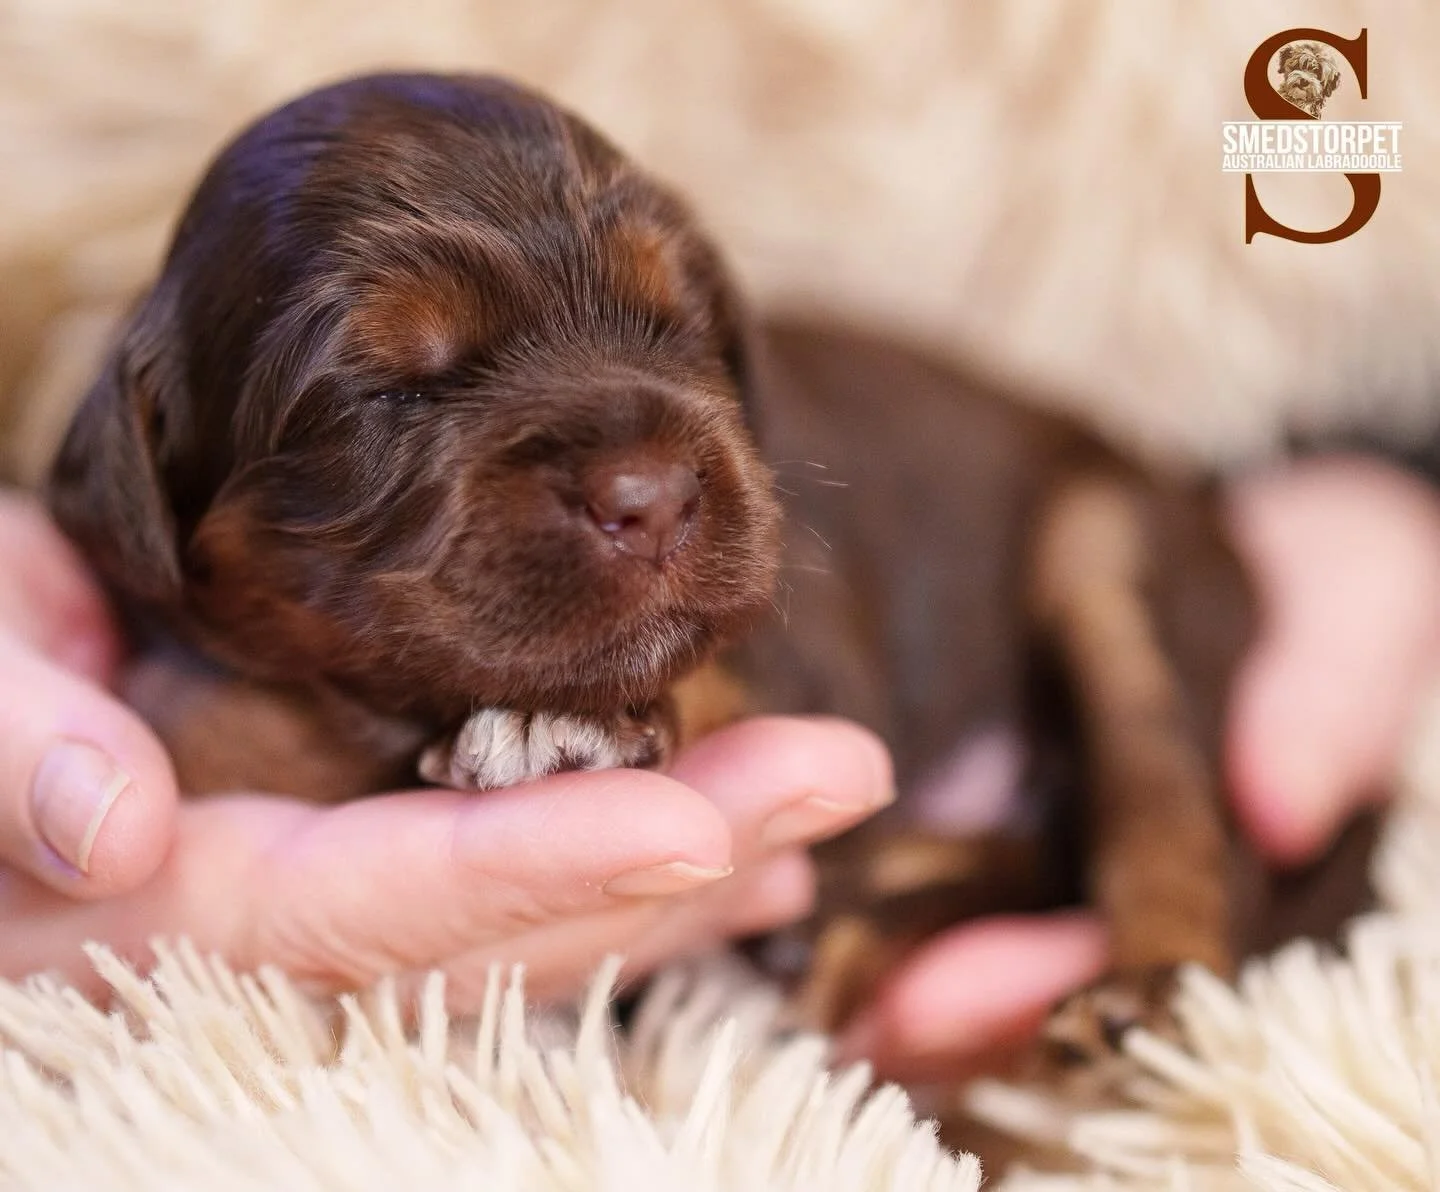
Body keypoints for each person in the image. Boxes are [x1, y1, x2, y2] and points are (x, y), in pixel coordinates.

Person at [1, 452, 1437, 1074]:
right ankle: (929, 890)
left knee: (1119, 606)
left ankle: (1172, 937)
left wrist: (1386, 480)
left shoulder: (695, 490)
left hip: (1120, 542)